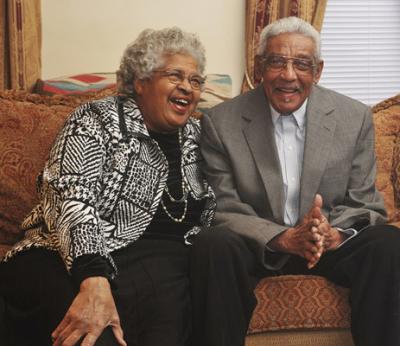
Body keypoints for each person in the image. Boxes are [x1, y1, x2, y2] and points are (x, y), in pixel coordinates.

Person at [0, 27, 215, 346]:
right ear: (141, 81)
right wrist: (93, 276)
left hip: (162, 268)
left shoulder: (201, 136)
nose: (187, 87)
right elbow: (69, 197)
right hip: (63, 253)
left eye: (196, 80)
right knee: (93, 331)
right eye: (174, 75)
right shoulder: (96, 119)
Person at [194, 16, 400, 346]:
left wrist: (332, 234)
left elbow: (365, 201)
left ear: (317, 72)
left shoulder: (353, 117)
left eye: (301, 64)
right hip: (261, 245)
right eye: (277, 62)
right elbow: (223, 205)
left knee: (387, 243)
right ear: (260, 66)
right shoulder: (221, 122)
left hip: (328, 245)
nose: (288, 75)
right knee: (213, 243)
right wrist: (283, 238)